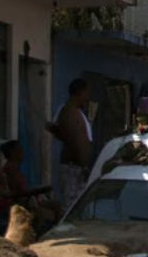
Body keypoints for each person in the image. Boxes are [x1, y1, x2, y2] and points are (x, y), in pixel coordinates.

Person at [45, 78, 92, 208]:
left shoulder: (76, 112)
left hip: (77, 167)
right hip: (74, 168)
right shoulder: (69, 113)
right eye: (86, 93)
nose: (87, 97)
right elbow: (74, 141)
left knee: (79, 205)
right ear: (80, 92)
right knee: (72, 206)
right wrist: (83, 165)